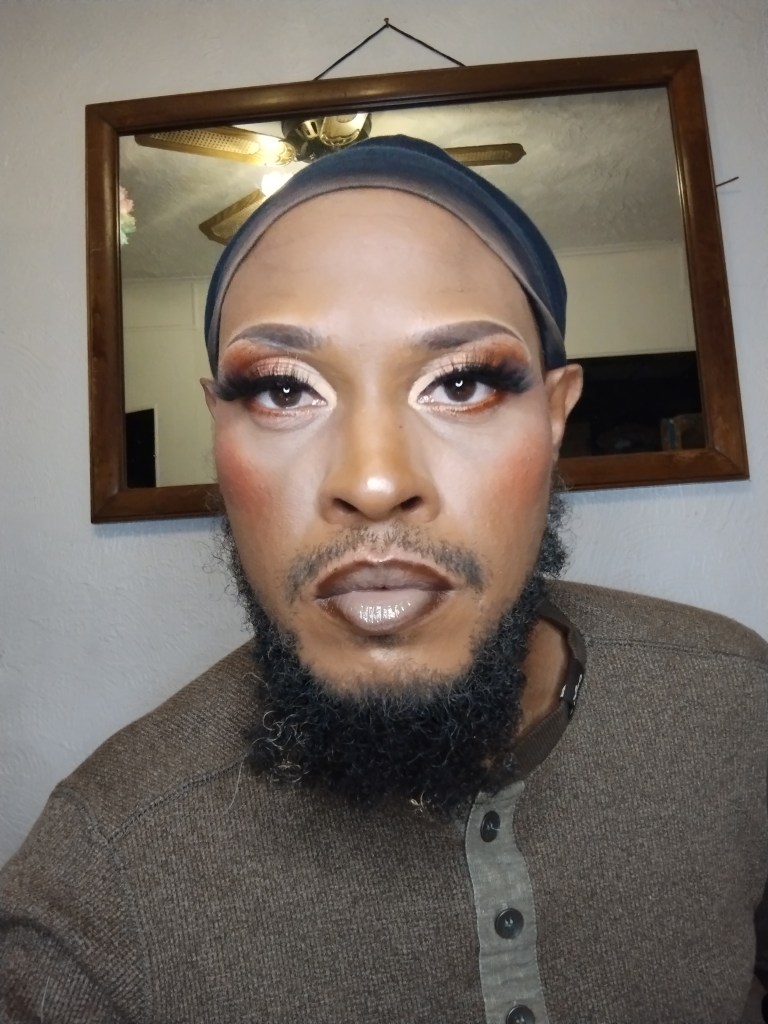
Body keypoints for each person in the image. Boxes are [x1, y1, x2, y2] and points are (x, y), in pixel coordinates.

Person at [1, 135, 766, 1024]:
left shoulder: (737, 703)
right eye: (284, 391)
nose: (371, 481)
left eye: (462, 384)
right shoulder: (98, 878)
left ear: (556, 416)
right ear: (217, 429)